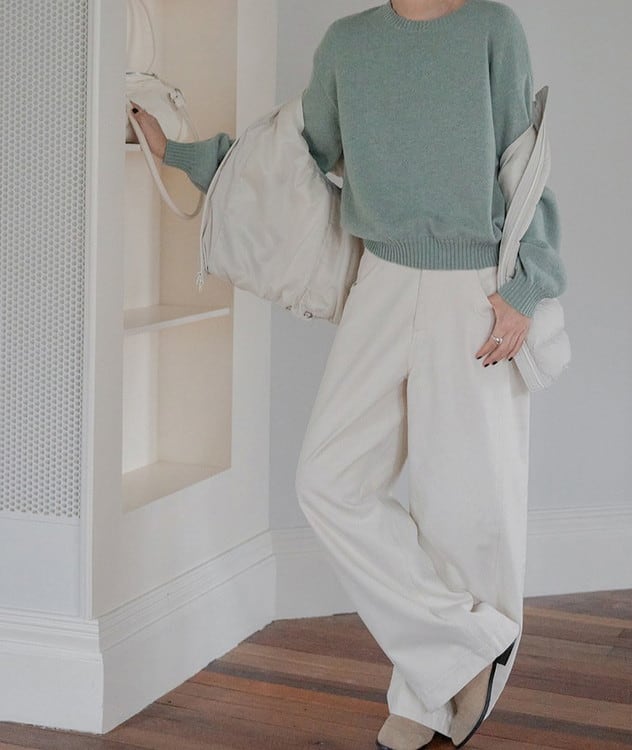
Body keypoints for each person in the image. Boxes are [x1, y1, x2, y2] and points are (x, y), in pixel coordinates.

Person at [130, 2, 567, 748]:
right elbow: (288, 155)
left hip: (474, 291)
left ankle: (425, 698)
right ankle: (464, 651)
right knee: (328, 481)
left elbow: (525, 167)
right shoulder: (349, 44)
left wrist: (528, 287)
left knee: (463, 504)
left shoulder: (493, 28)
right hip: (381, 282)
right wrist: (183, 154)